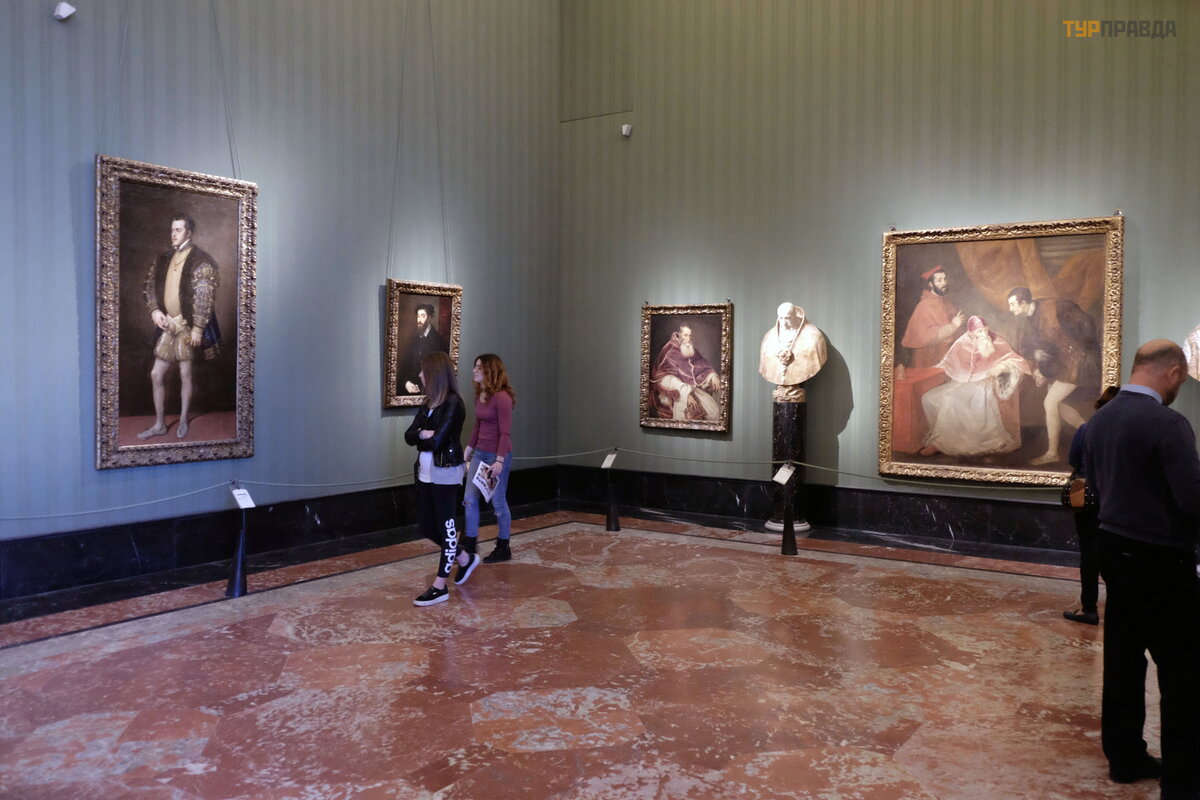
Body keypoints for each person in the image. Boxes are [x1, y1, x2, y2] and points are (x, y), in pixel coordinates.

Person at [1083, 340, 1200, 794]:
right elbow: (1191, 501)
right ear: (1173, 372)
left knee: (1123, 661)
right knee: (1182, 672)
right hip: (1161, 558)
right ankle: (1183, 780)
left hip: (1114, 549)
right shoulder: (1168, 424)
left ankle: (1125, 758)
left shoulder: (1099, 419)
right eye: (1180, 380)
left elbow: (1095, 488)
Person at [404, 351, 479, 606]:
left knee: (446, 528)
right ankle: (465, 558)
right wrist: (422, 434)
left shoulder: (453, 404)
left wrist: (423, 435)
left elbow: (437, 441)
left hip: (446, 472)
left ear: (435, 374)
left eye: (423, 371)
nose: (420, 375)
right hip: (425, 474)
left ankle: (440, 586)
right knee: (427, 527)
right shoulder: (428, 403)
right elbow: (408, 436)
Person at [138, 213, 221, 440]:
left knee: (185, 374)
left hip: (186, 325)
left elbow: (204, 296)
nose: (173, 234)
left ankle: (183, 420)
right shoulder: (163, 258)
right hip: (168, 324)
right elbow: (149, 286)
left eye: (178, 230)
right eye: (172, 230)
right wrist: (155, 311)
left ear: (189, 233)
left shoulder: (200, 260)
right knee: (156, 374)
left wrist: (198, 328)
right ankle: (159, 424)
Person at [1007, 287, 1099, 465]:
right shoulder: (1028, 320)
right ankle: (1092, 435)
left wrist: (1080, 352)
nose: (1011, 309)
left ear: (1023, 303)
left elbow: (1085, 327)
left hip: (1078, 362)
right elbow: (1035, 348)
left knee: (1050, 402)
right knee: (1059, 406)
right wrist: (1038, 358)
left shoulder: (1055, 306)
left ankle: (1052, 453)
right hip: (1062, 365)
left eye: (1013, 304)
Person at [918, 316, 1029, 457]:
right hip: (962, 381)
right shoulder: (963, 341)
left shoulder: (996, 340)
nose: (984, 335)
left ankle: (939, 444)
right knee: (929, 398)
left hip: (984, 383)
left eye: (985, 330)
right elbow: (949, 360)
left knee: (949, 400)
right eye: (979, 332)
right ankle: (944, 440)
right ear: (971, 334)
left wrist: (1001, 368)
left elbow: (1014, 358)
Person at [1062, 385, 1120, 626]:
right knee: (1115, 553)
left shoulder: (1086, 429)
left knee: (1089, 553)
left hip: (1087, 498)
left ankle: (1089, 608)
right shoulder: (1126, 432)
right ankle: (1119, 607)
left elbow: (1073, 459)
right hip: (1117, 499)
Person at [463, 354, 517, 563]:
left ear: (489, 371)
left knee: (498, 502)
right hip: (480, 454)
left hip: (496, 456)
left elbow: (505, 433)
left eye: (478, 367)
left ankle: (503, 546)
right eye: (475, 366)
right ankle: (469, 545)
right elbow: (477, 427)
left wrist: (499, 461)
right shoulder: (480, 395)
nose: (474, 370)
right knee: (469, 499)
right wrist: (467, 451)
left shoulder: (502, 398)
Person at [758, 302, 827, 401]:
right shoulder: (769, 338)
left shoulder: (813, 336)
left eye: (787, 318)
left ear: (795, 316)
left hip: (797, 395)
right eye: (781, 318)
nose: (783, 322)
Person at [650, 326, 721, 420]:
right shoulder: (670, 351)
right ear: (679, 334)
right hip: (678, 393)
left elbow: (702, 366)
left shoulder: (690, 349)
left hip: (693, 389)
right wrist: (686, 394)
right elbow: (664, 378)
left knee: (715, 413)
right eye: (685, 335)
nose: (688, 338)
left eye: (690, 335)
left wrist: (712, 376)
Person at [901, 266, 965, 369]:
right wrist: (953, 326)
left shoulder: (947, 303)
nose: (944, 283)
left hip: (946, 357)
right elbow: (929, 337)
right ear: (931, 284)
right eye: (939, 280)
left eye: (945, 279)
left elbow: (958, 330)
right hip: (929, 359)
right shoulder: (923, 306)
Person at [399, 304, 448, 394]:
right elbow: (404, 368)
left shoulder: (438, 340)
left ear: (429, 318)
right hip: (411, 392)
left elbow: (441, 372)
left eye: (423, 316)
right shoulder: (414, 340)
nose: (419, 320)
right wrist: (407, 383)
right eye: (418, 316)